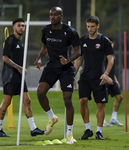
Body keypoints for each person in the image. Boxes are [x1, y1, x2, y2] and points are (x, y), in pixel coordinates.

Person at [34, 7, 80, 144]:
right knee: (40, 92)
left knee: (67, 99)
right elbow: (44, 48)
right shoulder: (45, 30)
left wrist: (68, 60)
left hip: (66, 68)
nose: (52, 17)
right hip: (51, 66)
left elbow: (78, 51)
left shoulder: (70, 32)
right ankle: (51, 117)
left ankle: (70, 134)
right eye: (50, 15)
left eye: (55, 15)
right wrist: (39, 58)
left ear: (61, 16)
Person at [0, 18, 44, 137]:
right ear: (13, 27)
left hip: (19, 77)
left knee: (27, 100)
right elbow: (5, 58)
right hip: (10, 76)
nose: (21, 28)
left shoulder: (21, 42)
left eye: (23, 26)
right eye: (19, 25)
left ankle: (33, 128)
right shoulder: (10, 40)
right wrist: (18, 67)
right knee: (6, 102)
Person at [74, 16, 114, 140]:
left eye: (92, 26)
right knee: (82, 101)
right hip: (85, 77)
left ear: (98, 26)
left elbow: (110, 58)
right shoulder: (82, 40)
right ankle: (88, 129)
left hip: (99, 77)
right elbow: (78, 59)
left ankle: (99, 132)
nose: (90, 29)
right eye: (88, 27)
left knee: (100, 105)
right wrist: (73, 76)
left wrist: (106, 74)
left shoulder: (104, 40)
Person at [103, 37, 123, 127]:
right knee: (102, 101)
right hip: (104, 80)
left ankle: (113, 118)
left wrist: (115, 79)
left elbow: (111, 69)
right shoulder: (103, 54)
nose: (109, 45)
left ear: (113, 44)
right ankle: (102, 120)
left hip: (112, 80)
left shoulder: (112, 55)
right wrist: (106, 77)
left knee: (119, 97)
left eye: (110, 43)